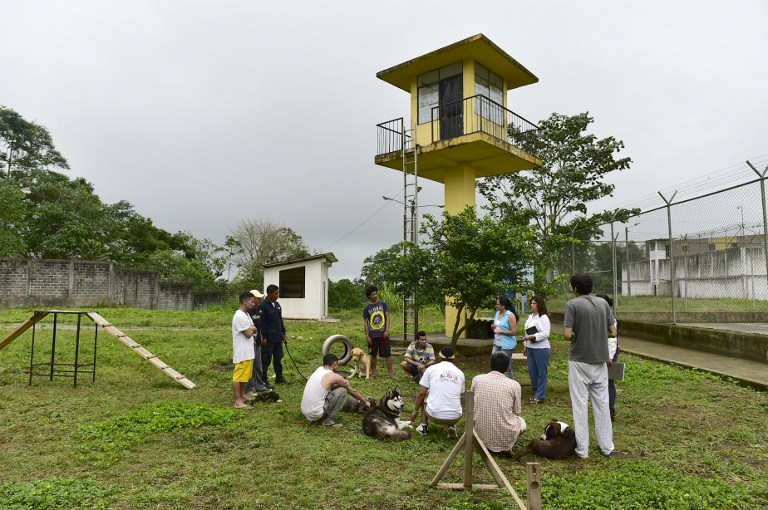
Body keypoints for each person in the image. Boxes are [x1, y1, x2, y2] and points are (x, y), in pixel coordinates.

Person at [563, 274, 616, 458]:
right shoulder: (603, 303)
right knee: (602, 404)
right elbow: (613, 331)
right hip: (600, 361)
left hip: (579, 361)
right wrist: (597, 335)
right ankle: (607, 447)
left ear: (575, 289)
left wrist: (579, 334)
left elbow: (567, 334)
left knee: (580, 405)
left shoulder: (573, 304)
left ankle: (582, 450)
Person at [471, 351, 526, 454]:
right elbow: (517, 411)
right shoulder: (514, 385)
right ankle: (506, 446)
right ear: (507, 367)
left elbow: (472, 402)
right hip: (504, 437)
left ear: (490, 364)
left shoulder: (477, 380)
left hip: (479, 432)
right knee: (522, 422)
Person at [301, 353, 371, 428]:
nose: (337, 367)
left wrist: (339, 384)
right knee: (343, 390)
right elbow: (352, 391)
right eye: (337, 365)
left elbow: (327, 387)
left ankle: (319, 414)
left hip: (306, 412)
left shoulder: (319, 370)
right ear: (334, 364)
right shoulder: (334, 376)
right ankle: (327, 421)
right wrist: (365, 402)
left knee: (338, 388)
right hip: (316, 414)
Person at [410, 346, 465, 438]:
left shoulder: (431, 370)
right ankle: (451, 426)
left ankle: (423, 427)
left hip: (434, 415)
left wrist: (415, 411)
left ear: (439, 357)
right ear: (454, 358)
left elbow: (421, 393)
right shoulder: (460, 373)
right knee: (454, 395)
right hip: (456, 416)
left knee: (425, 393)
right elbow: (461, 394)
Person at [257, 284, 290, 385]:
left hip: (278, 338)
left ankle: (279, 378)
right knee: (266, 360)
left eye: (278, 293)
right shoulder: (263, 306)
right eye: (276, 293)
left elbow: (280, 320)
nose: (278, 295)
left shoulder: (277, 304)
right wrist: (263, 337)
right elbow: (261, 324)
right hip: (268, 339)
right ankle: (264, 381)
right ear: (270, 294)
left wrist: (283, 333)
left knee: (278, 359)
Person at [522, 296, 552, 404]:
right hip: (531, 347)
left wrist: (534, 337)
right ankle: (536, 391)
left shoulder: (543, 318)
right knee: (532, 371)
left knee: (541, 372)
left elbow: (545, 333)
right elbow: (526, 332)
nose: (532, 305)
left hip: (541, 348)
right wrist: (525, 345)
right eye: (531, 303)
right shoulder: (530, 317)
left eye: (534, 303)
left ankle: (540, 396)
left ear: (539, 305)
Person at [596, 294, 620, 421]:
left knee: (608, 382)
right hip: (598, 353)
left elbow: (612, 340)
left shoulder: (610, 318)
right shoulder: (597, 316)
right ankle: (602, 408)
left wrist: (609, 356)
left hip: (608, 354)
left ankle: (610, 411)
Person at [232, 291, 258, 409]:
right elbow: (248, 333)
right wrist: (251, 328)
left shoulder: (246, 314)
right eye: (252, 301)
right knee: (238, 376)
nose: (254, 304)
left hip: (248, 352)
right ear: (245, 302)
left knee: (245, 376)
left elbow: (254, 328)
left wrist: (251, 328)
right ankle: (237, 401)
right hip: (242, 352)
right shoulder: (239, 316)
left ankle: (242, 395)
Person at [363, 285, 394, 380]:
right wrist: (367, 336)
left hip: (383, 334)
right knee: (373, 355)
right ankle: (374, 373)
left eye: (376, 293)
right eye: (373, 294)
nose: (375, 295)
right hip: (373, 335)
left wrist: (387, 330)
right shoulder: (367, 308)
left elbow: (387, 317)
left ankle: (390, 373)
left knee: (387, 355)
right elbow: (366, 323)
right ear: (369, 296)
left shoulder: (383, 304)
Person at [245, 289, 270, 395]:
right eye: (258, 298)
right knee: (250, 367)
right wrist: (253, 339)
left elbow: (259, 326)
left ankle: (260, 386)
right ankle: (249, 389)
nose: (260, 300)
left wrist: (262, 337)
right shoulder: (247, 312)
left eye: (260, 298)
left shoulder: (257, 310)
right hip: (251, 343)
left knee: (258, 366)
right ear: (252, 298)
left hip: (258, 343)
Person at [491, 296, 517, 379]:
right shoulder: (497, 313)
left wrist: (501, 332)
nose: (496, 305)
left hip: (506, 345)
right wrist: (493, 327)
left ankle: (511, 386)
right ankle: (497, 384)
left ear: (503, 306)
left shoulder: (510, 315)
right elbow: (496, 326)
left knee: (507, 367)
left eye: (498, 304)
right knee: (494, 365)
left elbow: (513, 332)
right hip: (497, 343)